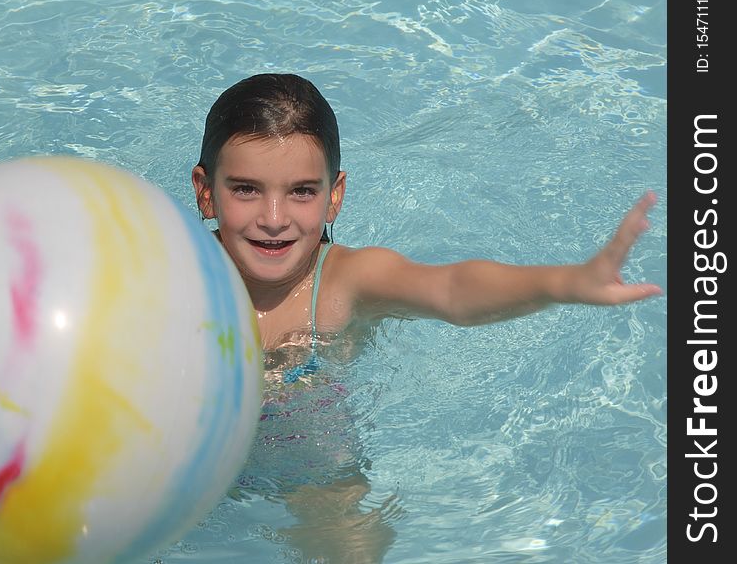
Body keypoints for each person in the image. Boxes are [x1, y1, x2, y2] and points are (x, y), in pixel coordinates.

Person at [192, 72, 661, 563]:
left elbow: (452, 289)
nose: (273, 217)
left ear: (335, 195)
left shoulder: (346, 282)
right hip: (190, 456)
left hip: (315, 472)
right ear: (206, 191)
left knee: (356, 551)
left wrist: (564, 283)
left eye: (302, 192)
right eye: (246, 189)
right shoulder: (177, 274)